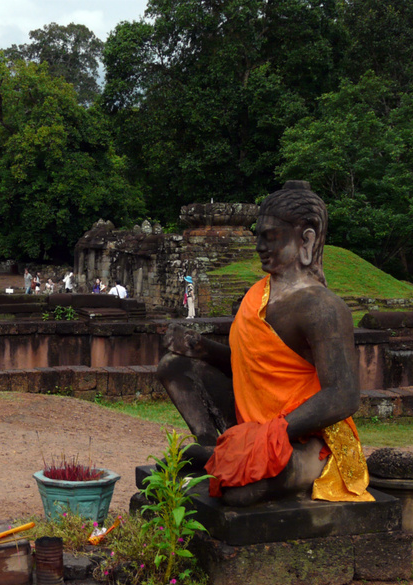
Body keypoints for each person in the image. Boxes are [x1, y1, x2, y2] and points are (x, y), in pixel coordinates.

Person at [157, 180, 371, 507]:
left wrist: (275, 433)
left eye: (269, 236)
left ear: (306, 239)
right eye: (258, 235)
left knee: (236, 492)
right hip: (253, 424)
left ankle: (226, 458)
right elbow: (252, 371)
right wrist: (200, 349)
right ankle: (222, 451)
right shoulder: (256, 295)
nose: (259, 246)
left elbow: (343, 396)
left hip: (306, 438)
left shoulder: (323, 308)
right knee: (174, 367)